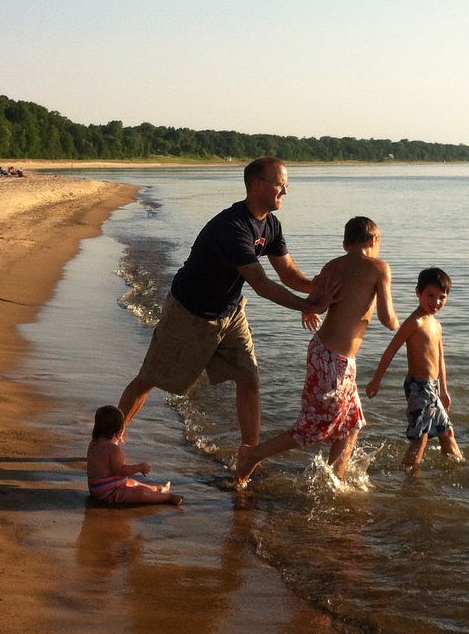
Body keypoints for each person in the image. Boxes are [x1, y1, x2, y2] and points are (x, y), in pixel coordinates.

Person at [116, 157, 335, 449]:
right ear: (257, 185)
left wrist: (319, 289)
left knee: (249, 379)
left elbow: (288, 273)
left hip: (230, 313)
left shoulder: (271, 224)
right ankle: (110, 438)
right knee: (150, 378)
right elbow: (261, 284)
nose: (285, 192)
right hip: (190, 313)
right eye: (280, 185)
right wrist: (306, 306)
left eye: (287, 186)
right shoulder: (232, 227)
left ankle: (248, 457)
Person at [233, 217, 397, 487]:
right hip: (336, 361)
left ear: (346, 243)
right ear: (373, 241)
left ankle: (335, 479)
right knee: (315, 426)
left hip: (323, 352)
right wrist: (405, 324)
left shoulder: (332, 266)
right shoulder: (379, 268)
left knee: (351, 422)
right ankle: (253, 454)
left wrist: (309, 309)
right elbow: (387, 318)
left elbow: (315, 301)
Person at [366, 266, 465, 469]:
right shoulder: (415, 322)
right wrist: (377, 379)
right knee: (421, 438)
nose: (436, 302)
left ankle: (461, 470)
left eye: (441, 297)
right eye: (430, 295)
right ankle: (409, 478)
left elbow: (440, 361)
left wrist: (444, 391)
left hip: (433, 388)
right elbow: (391, 350)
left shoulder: (436, 325)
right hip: (419, 388)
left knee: (446, 432)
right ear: (418, 292)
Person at [86, 406, 183, 506]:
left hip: (96, 488)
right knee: (141, 494)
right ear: (118, 430)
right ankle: (168, 497)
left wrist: (117, 438)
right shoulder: (114, 450)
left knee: (133, 483)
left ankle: (157, 489)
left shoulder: (93, 444)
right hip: (110, 493)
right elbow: (120, 470)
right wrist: (139, 468)